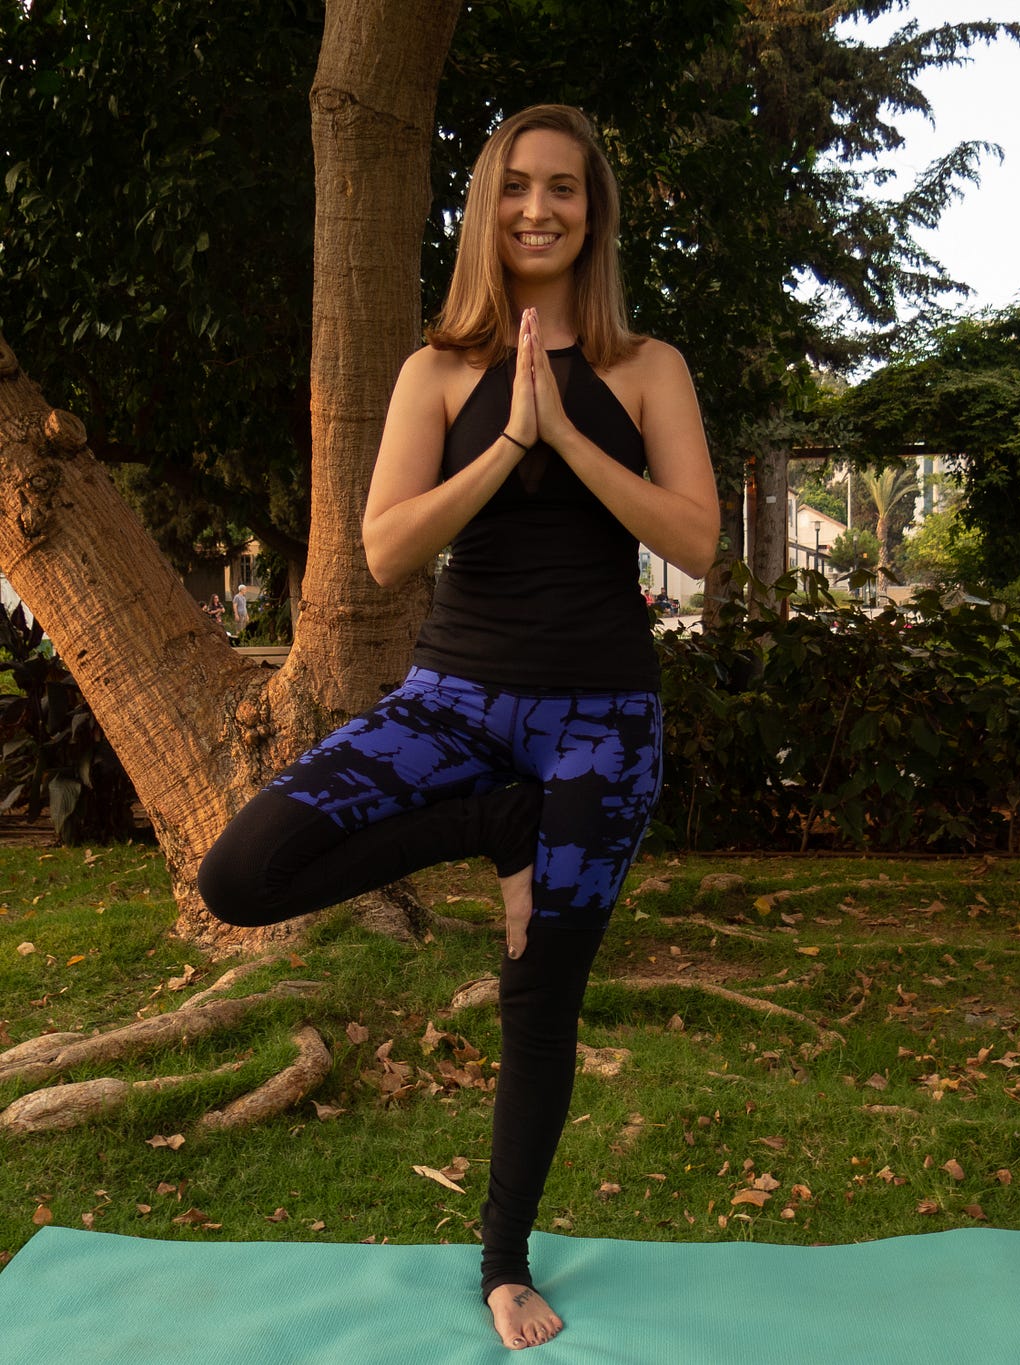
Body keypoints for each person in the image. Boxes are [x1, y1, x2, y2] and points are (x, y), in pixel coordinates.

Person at [198, 104, 719, 1351]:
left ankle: (502, 1263)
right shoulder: (435, 370)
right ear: (485, 207)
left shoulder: (646, 367)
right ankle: (495, 828)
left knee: (540, 997)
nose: (540, 209)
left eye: (565, 191)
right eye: (516, 188)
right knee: (241, 874)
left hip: (602, 724)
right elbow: (384, 552)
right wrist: (505, 446)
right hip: (452, 709)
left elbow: (696, 544)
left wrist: (566, 436)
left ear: (592, 215)